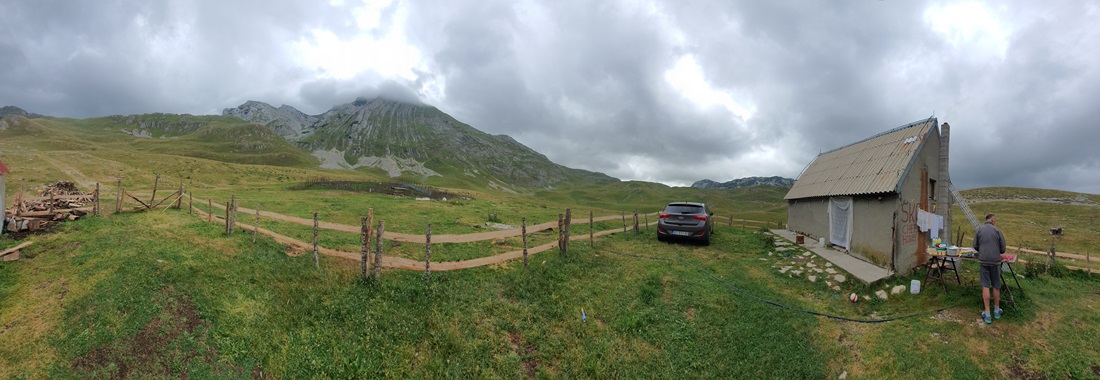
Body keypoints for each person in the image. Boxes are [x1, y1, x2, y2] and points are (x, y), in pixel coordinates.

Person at [973, 213, 1007, 324]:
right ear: (992, 220)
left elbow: (975, 245)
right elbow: (1003, 249)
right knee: (996, 286)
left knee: (986, 285)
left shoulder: (979, 230)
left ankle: (987, 314)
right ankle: (997, 311)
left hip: (983, 261)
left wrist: (982, 250)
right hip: (995, 262)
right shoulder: (997, 231)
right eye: (995, 220)